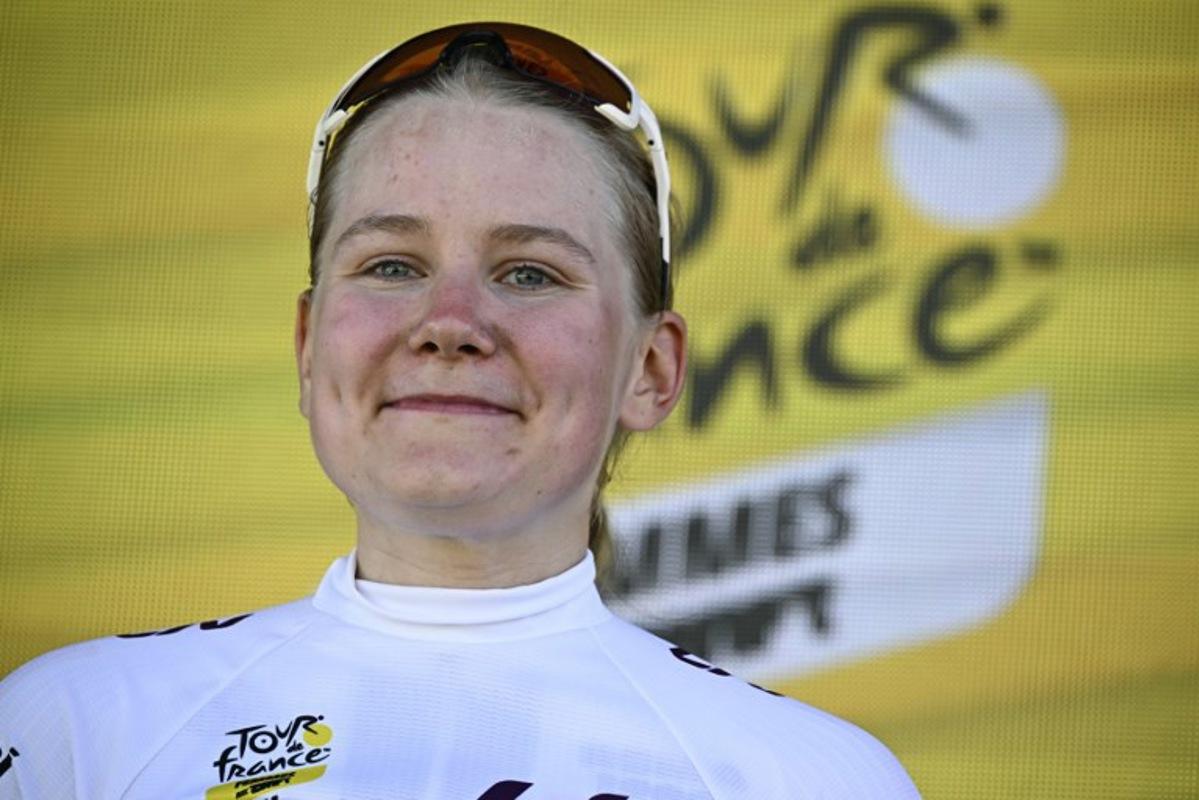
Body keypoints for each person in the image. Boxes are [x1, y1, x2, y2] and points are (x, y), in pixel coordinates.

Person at [0, 22, 920, 799]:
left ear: (651, 367)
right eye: (392, 265)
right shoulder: (73, 731)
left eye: (530, 273)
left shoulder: (814, 780)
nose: (448, 323)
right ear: (309, 345)